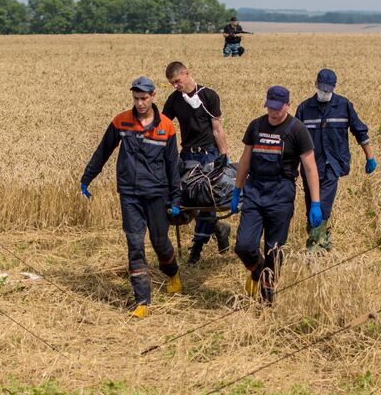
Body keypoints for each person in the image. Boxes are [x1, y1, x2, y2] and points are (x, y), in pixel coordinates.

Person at [80, 76, 183, 318]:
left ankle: (172, 272)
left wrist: (176, 198)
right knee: (135, 245)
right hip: (129, 193)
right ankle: (142, 301)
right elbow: (103, 150)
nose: (140, 103)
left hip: (157, 193)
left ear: (153, 97)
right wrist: (87, 178)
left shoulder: (166, 126)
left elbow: (172, 164)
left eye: (144, 98)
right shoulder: (121, 122)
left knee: (160, 243)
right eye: (136, 99)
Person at [230, 85, 322, 303]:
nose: (273, 112)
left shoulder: (297, 130)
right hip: (255, 191)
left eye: (278, 108)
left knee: (274, 250)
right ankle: (258, 271)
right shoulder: (256, 126)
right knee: (244, 246)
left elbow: (310, 167)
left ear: (287, 106)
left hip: (281, 193)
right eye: (270, 107)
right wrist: (237, 189)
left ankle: (266, 298)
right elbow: (245, 161)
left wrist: (316, 202)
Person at [294, 68, 376, 251]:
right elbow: (294, 141)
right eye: (322, 89)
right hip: (310, 167)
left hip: (334, 163)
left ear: (334, 88)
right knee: (311, 205)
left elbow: (359, 130)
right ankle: (324, 240)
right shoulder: (304, 109)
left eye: (328, 90)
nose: (324, 93)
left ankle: (315, 248)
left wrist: (369, 156)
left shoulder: (343, 105)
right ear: (316, 84)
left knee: (322, 205)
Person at [162, 61, 232, 263]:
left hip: (209, 154)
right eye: (171, 83)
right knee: (190, 202)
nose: (175, 85)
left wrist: (224, 155)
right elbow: (164, 125)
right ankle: (220, 228)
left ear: (186, 73)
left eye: (177, 81)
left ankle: (197, 250)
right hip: (188, 156)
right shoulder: (174, 100)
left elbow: (217, 128)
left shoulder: (209, 95)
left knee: (207, 200)